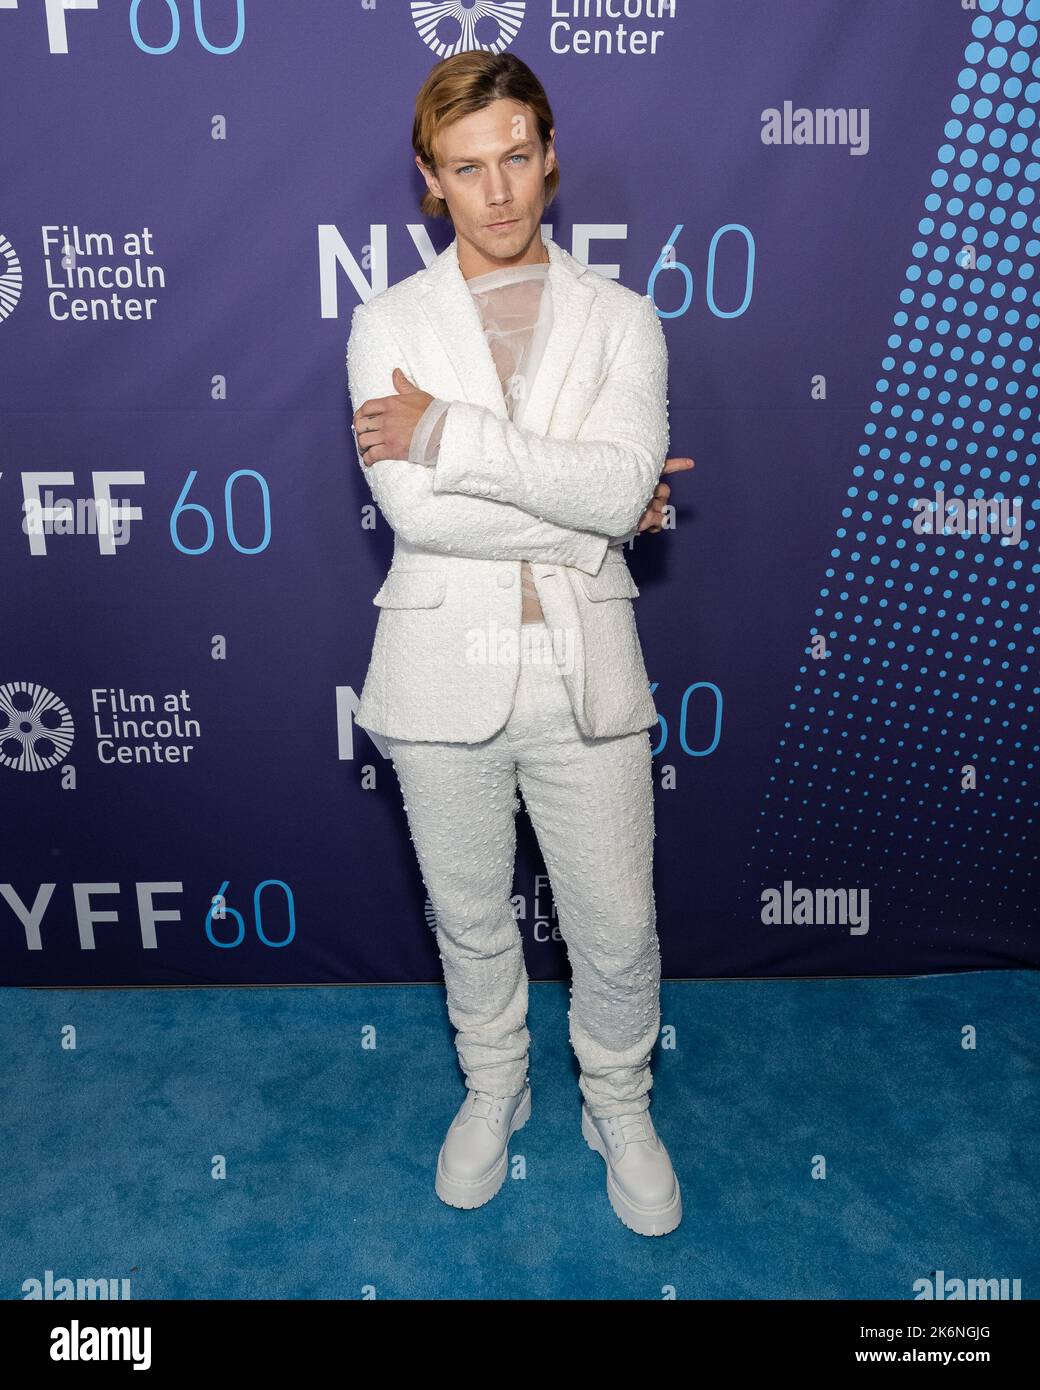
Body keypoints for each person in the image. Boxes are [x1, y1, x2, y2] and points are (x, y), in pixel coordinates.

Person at [347, 51, 693, 1237]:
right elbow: (418, 514)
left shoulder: (623, 318)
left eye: (513, 159)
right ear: (428, 180)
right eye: (463, 168)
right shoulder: (386, 318)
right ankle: (494, 1087)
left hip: (586, 676)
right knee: (470, 918)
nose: (495, 192)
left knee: (615, 925)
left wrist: (448, 429)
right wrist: (599, 501)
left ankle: (618, 1099)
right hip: (437, 680)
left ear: (547, 157)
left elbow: (618, 485)